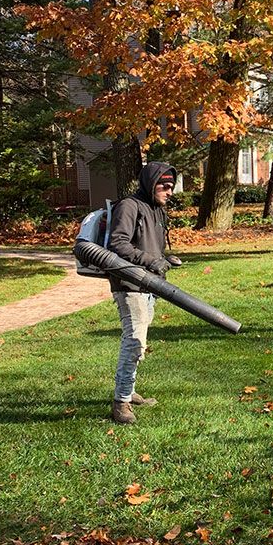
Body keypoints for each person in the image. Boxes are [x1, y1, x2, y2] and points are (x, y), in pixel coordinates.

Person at [108, 161, 177, 424]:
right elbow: (118, 243)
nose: (170, 191)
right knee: (134, 342)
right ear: (151, 183)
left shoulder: (156, 209)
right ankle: (121, 403)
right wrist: (150, 261)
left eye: (172, 186)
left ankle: (129, 390)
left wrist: (163, 260)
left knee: (140, 342)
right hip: (130, 284)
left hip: (149, 285)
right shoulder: (129, 206)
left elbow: (148, 246)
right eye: (165, 186)